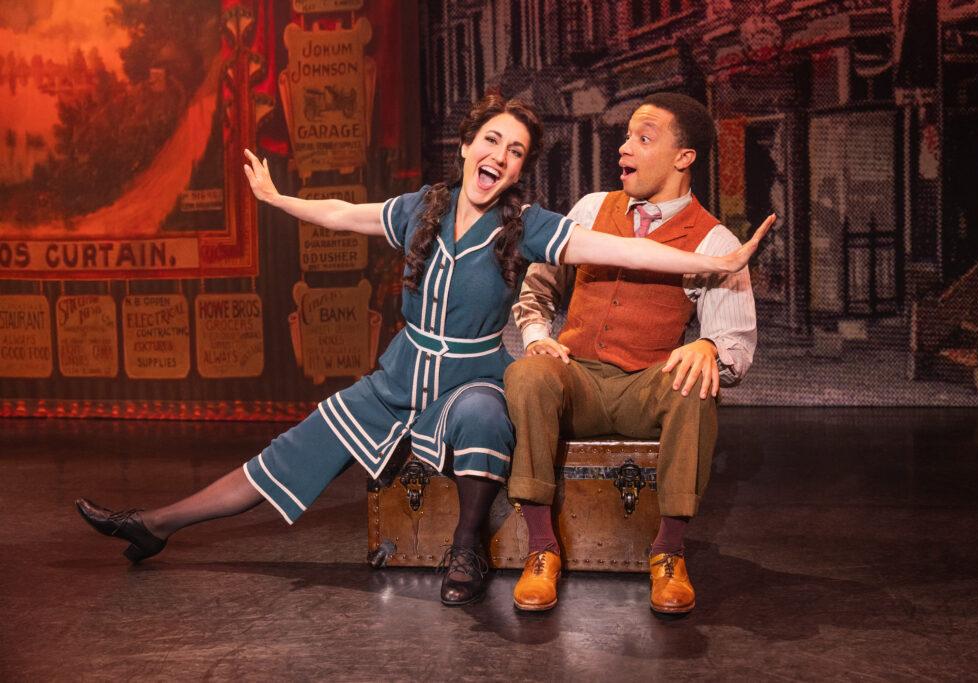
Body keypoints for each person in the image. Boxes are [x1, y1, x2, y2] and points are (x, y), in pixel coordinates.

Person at [76, 94, 772, 607]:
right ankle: (155, 523)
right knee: (288, 452)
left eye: (516, 152)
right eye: (491, 142)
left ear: (520, 169)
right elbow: (346, 215)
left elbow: (608, 246)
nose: (499, 157)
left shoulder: (524, 225)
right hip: (399, 375)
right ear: (468, 146)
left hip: (472, 376)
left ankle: (468, 547)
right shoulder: (421, 208)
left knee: (480, 411)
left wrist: (716, 264)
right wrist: (280, 199)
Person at [506, 92, 762, 614]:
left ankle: (668, 553)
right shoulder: (591, 210)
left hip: (645, 388)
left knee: (696, 382)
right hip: (576, 378)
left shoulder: (713, 242)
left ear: (683, 157)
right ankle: (541, 548)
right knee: (528, 373)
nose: (624, 148)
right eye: (626, 137)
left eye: (643, 138)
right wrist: (538, 336)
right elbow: (537, 289)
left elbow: (736, 343)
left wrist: (710, 347)